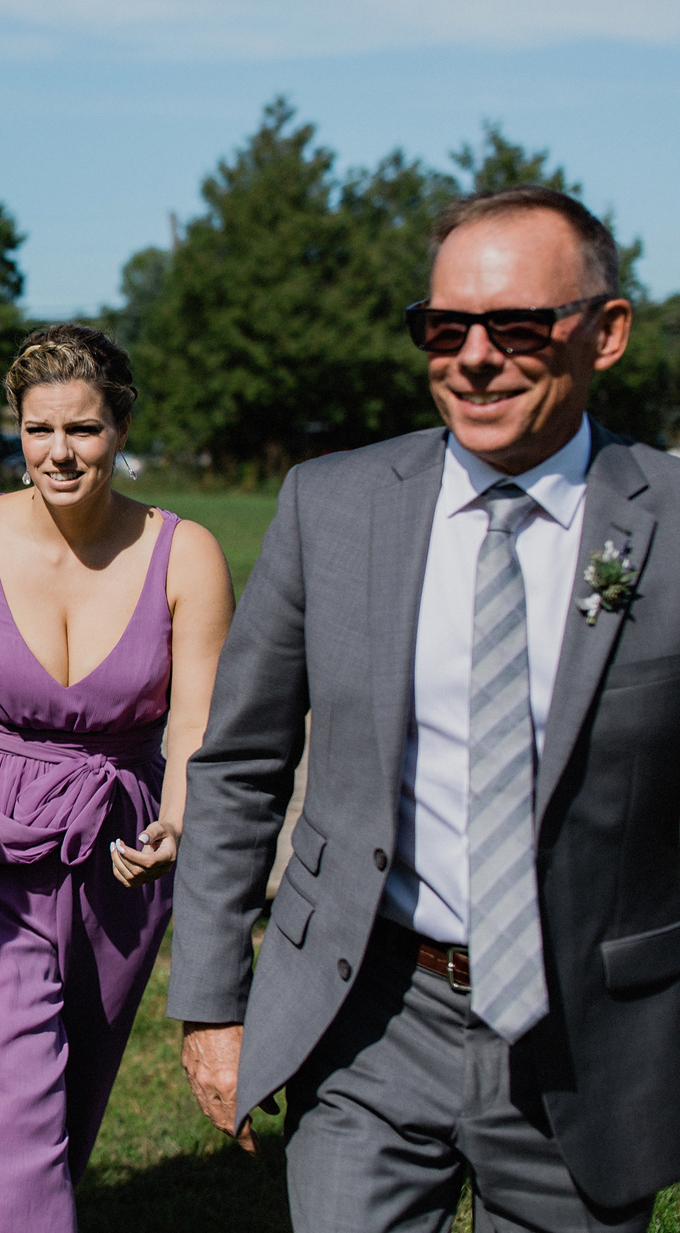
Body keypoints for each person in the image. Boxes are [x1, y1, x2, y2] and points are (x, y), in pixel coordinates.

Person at [169, 186, 680, 1232]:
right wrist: (210, 999)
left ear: (606, 333)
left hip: (585, 1040)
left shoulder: (666, 521)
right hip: (367, 1017)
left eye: (516, 326)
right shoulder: (333, 504)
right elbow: (240, 762)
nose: (473, 357)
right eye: (443, 327)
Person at [0, 324, 235, 1233]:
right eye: (38, 429)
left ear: (123, 427)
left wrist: (175, 824)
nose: (59, 452)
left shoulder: (187, 554)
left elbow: (194, 725)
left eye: (85, 430)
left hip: (118, 852)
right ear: (17, 431)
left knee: (62, 1089)